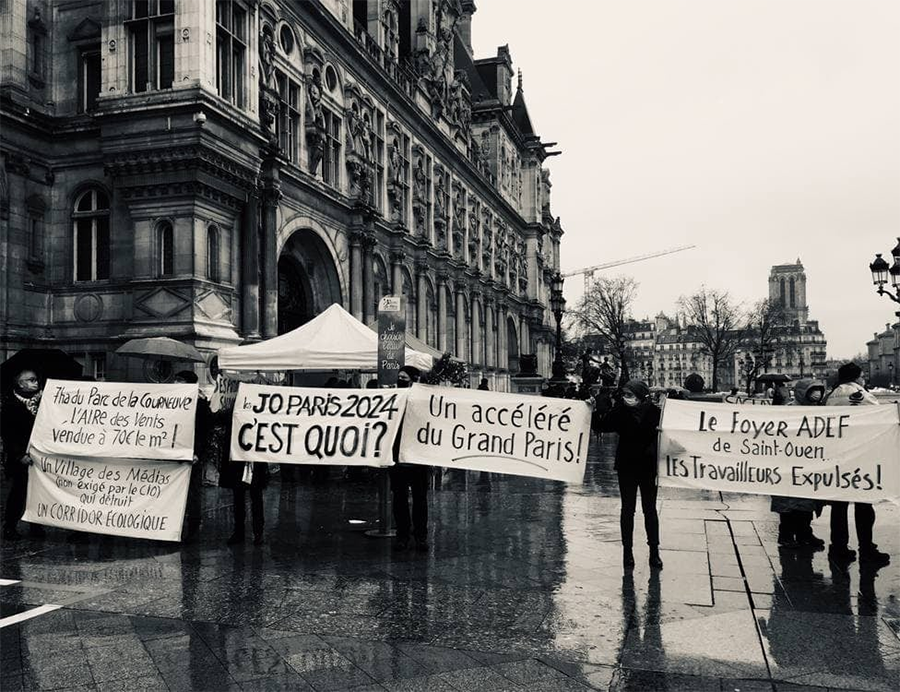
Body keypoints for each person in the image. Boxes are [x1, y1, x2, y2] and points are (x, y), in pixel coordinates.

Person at [824, 362, 889, 567]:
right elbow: (879, 420)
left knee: (839, 505)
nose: (863, 379)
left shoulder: (830, 396)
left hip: (836, 455)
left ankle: (838, 547)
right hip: (860, 455)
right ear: (856, 377)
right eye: (862, 376)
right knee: (863, 504)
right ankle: (867, 548)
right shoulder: (861, 394)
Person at [593, 380, 663, 569]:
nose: (626, 398)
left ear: (641, 396)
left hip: (648, 467)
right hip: (627, 466)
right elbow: (600, 426)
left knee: (650, 510)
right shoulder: (620, 412)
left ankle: (654, 552)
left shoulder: (657, 414)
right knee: (627, 510)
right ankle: (627, 552)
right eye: (625, 394)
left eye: (630, 395)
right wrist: (591, 409)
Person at [770, 379, 825, 549]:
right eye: (812, 390)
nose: (817, 394)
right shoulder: (788, 411)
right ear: (803, 392)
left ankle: (804, 534)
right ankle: (786, 535)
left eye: (818, 390)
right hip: (788, 465)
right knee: (788, 506)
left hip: (809, 464)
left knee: (806, 504)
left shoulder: (822, 413)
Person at [0, 368, 44, 540]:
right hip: (20, 457)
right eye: (31, 379)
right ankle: (10, 526)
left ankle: (36, 526)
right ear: (21, 383)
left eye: (36, 379)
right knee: (19, 491)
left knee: (40, 491)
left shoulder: (43, 401)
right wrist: (19, 455)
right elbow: (8, 434)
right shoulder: (10, 404)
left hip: (40, 453)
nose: (36, 382)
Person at [391, 366, 429, 551]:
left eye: (404, 377)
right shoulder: (394, 397)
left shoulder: (423, 399)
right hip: (398, 458)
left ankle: (421, 536)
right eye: (399, 377)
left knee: (420, 499)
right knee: (400, 499)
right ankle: (402, 535)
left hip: (419, 458)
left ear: (414, 379)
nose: (400, 380)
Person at [219, 401, 268, 546]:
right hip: (239, 461)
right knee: (240, 499)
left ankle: (257, 533)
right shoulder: (233, 412)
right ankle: (240, 532)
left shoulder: (262, 412)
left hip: (255, 462)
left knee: (255, 499)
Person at [173, 370, 211, 541]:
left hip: (193, 455)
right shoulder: (173, 402)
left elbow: (205, 432)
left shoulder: (201, 405)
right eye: (175, 380)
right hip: (175, 454)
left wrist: (198, 453)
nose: (176, 383)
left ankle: (193, 527)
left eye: (179, 380)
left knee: (193, 493)